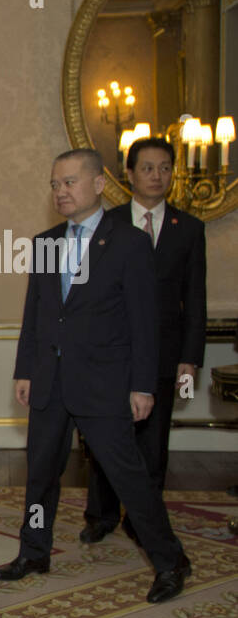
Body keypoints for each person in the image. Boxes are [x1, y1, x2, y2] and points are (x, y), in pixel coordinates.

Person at [0, 148, 189, 603]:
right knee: (41, 473)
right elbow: (36, 314)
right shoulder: (44, 243)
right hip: (49, 380)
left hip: (104, 383)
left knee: (127, 476)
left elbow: (145, 322)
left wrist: (142, 385)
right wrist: (25, 370)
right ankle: (34, 550)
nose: (61, 192)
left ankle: (170, 559)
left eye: (69, 182)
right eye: (55, 184)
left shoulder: (128, 243)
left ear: (99, 184)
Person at [81, 136, 206, 545]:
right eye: (148, 168)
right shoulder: (107, 224)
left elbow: (195, 298)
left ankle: (143, 516)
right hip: (112, 354)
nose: (157, 175)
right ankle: (101, 514)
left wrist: (189, 359)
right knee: (106, 437)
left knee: (153, 442)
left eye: (165, 168)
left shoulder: (188, 229)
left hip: (165, 355)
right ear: (129, 174)